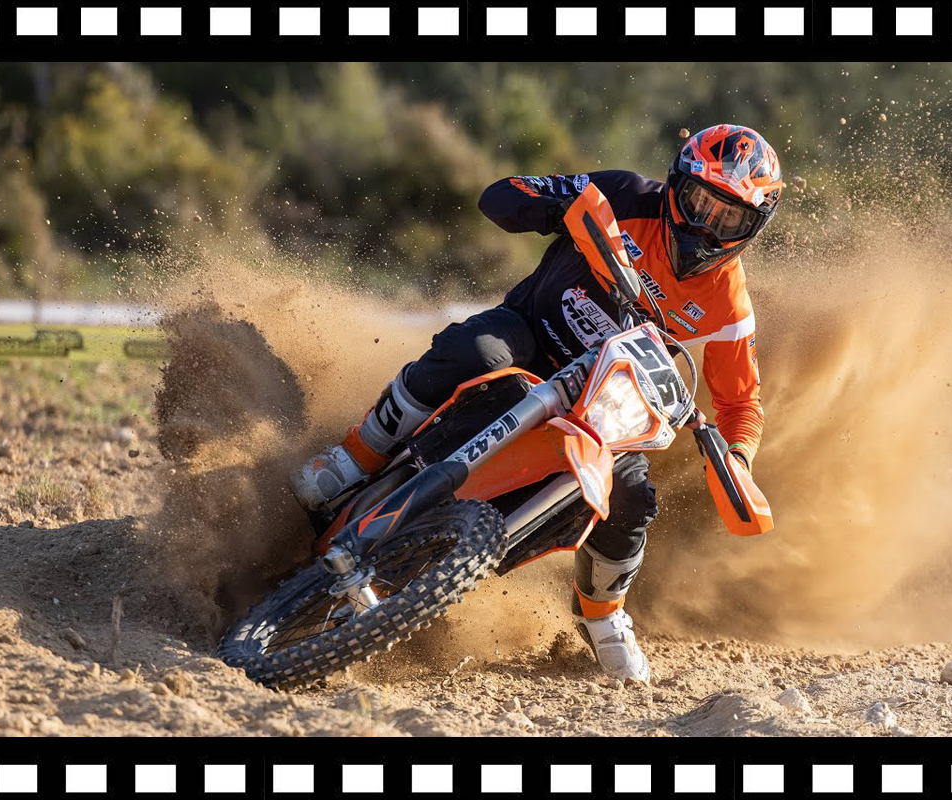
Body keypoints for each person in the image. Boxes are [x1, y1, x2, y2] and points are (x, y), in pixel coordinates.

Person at [292, 124, 783, 683]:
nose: (706, 226)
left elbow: (741, 403)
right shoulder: (623, 195)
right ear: (676, 186)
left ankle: (602, 615)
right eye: (700, 203)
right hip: (528, 335)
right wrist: (559, 206)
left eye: (729, 218)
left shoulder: (729, 304)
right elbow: (500, 196)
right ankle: (354, 457)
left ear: (752, 227)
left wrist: (738, 459)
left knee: (631, 498)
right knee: (470, 351)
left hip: (605, 401)